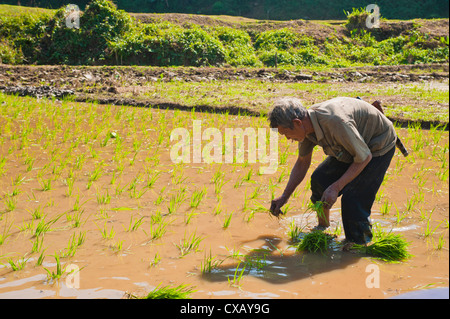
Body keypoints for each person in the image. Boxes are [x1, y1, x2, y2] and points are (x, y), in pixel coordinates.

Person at [268, 96, 397, 245]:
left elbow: (364, 157)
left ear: (297, 123)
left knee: (353, 198)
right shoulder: (306, 128)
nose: (287, 138)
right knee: (320, 180)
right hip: (350, 147)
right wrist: (285, 196)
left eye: (285, 133)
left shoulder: (334, 122)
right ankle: (323, 227)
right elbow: (302, 162)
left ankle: (358, 244)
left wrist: (336, 187)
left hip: (376, 147)